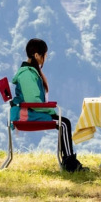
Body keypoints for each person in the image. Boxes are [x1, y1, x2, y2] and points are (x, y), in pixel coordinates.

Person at [11, 38, 85, 172]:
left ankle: (68, 161)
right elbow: (33, 101)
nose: (45, 57)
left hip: (31, 112)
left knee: (64, 122)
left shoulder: (30, 71)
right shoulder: (27, 74)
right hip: (27, 115)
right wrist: (50, 110)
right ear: (36, 55)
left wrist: (49, 109)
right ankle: (70, 164)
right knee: (64, 123)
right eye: (44, 54)